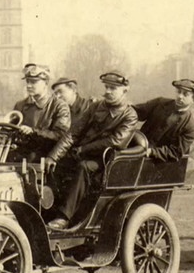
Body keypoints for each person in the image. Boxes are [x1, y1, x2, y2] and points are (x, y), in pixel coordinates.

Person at [48, 71, 138, 229]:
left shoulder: (129, 115)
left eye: (113, 88)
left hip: (104, 161)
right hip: (82, 154)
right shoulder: (96, 107)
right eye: (107, 87)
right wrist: (53, 157)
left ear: (125, 90)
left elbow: (116, 141)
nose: (108, 91)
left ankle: (64, 218)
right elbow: (73, 133)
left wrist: (84, 149)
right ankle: (47, 213)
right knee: (54, 167)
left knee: (83, 168)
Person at [11, 63, 71, 165]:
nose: (29, 85)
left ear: (45, 83)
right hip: (21, 154)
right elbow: (10, 127)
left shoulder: (59, 106)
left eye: (34, 82)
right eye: (27, 81)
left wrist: (33, 132)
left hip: (47, 156)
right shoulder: (20, 105)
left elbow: (60, 135)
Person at [133, 79, 194, 162]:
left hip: (155, 162)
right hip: (135, 148)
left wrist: (152, 152)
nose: (180, 96)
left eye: (185, 94)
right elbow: (135, 112)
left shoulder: (190, 126)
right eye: (179, 92)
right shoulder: (160, 103)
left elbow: (175, 152)